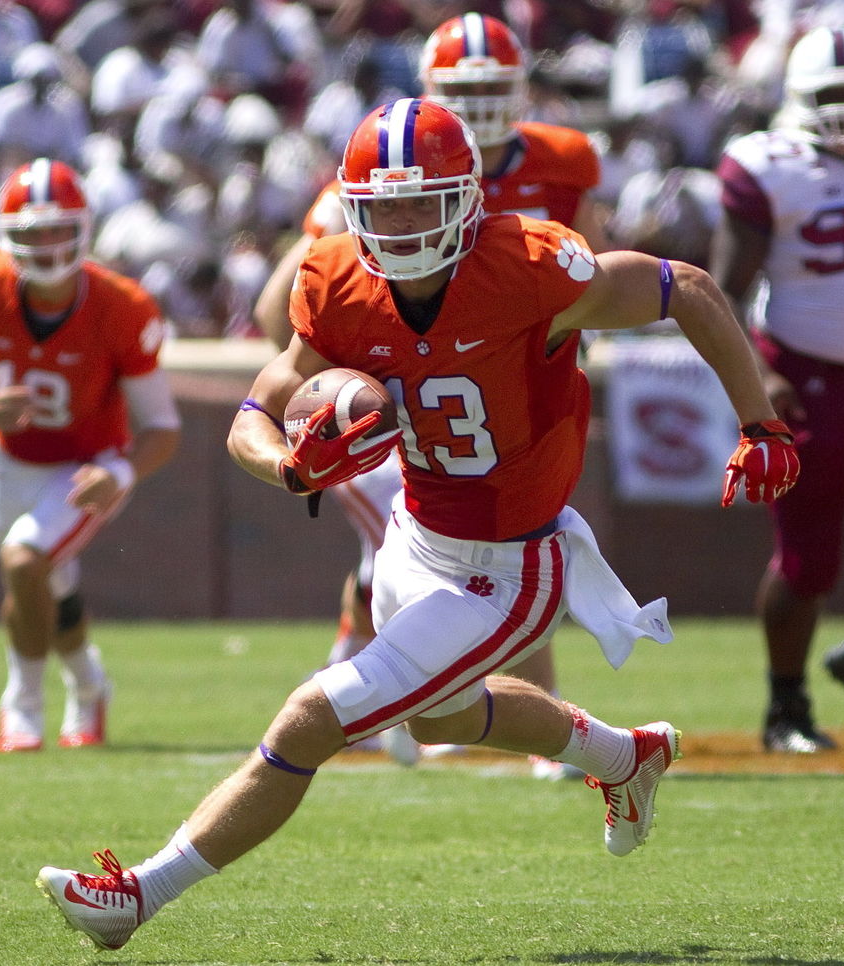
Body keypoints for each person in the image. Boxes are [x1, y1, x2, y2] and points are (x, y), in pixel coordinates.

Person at [35, 97, 798, 951]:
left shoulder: (531, 265)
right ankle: (626, 756)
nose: (398, 224)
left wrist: (759, 422)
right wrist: (285, 466)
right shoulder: (338, 283)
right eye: (381, 205)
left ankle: (138, 892)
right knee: (439, 718)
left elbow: (683, 287)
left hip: (513, 563)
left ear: (468, 201)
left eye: (419, 202)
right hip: (416, 533)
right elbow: (255, 409)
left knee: (309, 720)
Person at [252, 13, 608, 775]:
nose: (479, 103)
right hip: (399, 406)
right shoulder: (386, 173)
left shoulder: (560, 165)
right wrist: (324, 375)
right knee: (405, 552)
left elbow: (601, 270)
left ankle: (399, 694)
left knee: (505, 541)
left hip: (505, 382)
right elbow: (297, 288)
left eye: (492, 87)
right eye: (463, 88)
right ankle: (370, 682)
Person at [710, 25, 844, 754]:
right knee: (809, 561)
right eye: (829, 97)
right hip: (805, 372)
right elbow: (724, 293)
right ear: (799, 100)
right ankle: (786, 709)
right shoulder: (766, 165)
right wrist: (761, 377)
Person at [0, 157, 180, 753]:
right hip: (8, 458)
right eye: (31, 232)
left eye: (57, 229)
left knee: (25, 566)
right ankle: (90, 683)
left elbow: (163, 426)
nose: (46, 246)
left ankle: (21, 703)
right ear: (6, 237)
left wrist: (120, 470)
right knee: (47, 588)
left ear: (84, 229)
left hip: (84, 469)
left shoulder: (121, 306)